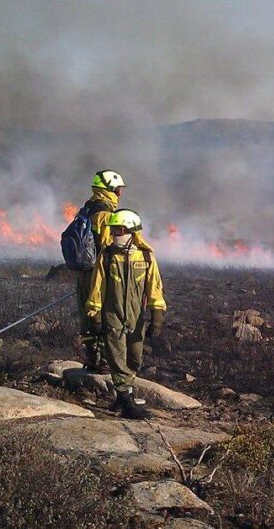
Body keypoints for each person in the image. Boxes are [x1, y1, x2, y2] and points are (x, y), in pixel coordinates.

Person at [85, 209, 166, 419]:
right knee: (117, 356)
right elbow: (96, 288)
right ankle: (127, 400)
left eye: (118, 230)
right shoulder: (107, 256)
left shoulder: (146, 256)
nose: (114, 234)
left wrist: (157, 316)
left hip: (136, 317)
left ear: (131, 231)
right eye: (112, 230)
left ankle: (121, 398)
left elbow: (154, 288)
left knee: (134, 358)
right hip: (112, 315)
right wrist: (95, 315)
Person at [76, 170, 125, 372]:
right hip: (99, 273)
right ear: (109, 190)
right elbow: (106, 245)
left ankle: (90, 357)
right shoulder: (105, 214)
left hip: (83, 271)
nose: (120, 194)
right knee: (105, 314)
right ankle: (104, 362)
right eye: (118, 190)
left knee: (87, 314)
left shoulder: (87, 208)